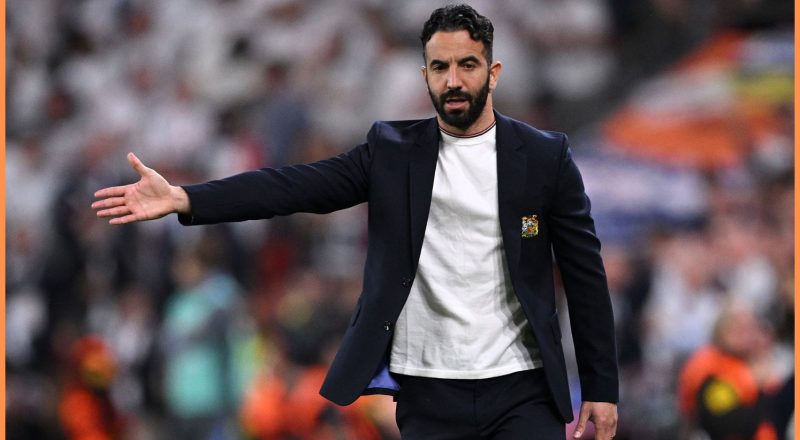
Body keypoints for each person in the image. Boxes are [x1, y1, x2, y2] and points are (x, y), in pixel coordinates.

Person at [93, 4, 618, 439]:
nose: (454, 81)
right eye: (440, 67)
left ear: (493, 72)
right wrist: (186, 197)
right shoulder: (391, 154)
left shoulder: (544, 157)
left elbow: (584, 274)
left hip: (522, 389)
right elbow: (292, 187)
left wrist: (601, 387)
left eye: (468, 65)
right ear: (425, 77)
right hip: (430, 393)